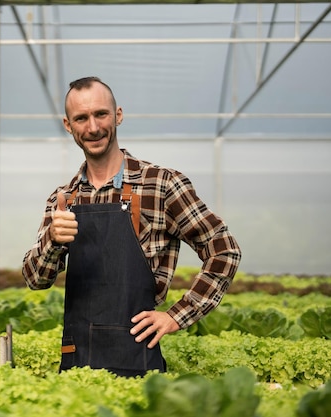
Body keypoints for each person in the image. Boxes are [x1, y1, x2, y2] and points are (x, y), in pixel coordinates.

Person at [21, 76, 241, 378]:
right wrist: (53, 239)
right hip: (76, 362)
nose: (93, 127)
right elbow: (35, 279)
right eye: (81, 118)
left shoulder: (162, 185)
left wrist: (176, 317)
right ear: (68, 125)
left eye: (101, 114)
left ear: (118, 115)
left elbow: (224, 250)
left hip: (138, 356)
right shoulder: (64, 199)